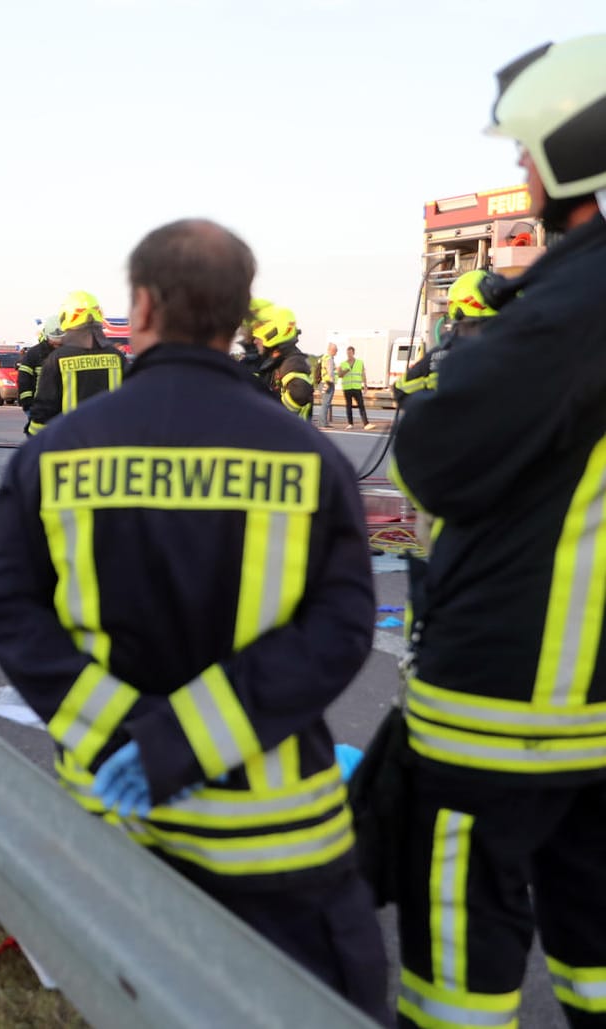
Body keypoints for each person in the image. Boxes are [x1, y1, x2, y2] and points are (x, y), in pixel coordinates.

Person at [0, 218, 386, 1020]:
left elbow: (8, 613)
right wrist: (193, 736)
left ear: (141, 304)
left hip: (112, 823)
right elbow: (339, 628)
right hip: (273, 839)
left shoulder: (53, 454)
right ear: (238, 317)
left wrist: (129, 737)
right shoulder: (307, 458)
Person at [389, 35, 606, 1029]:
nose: (517, 172)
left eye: (526, 150)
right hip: (590, 711)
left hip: (514, 712)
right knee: (594, 938)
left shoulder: (574, 303)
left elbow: (436, 455)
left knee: (460, 953)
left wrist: (461, 360)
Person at [27, 290, 126, 435]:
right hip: (111, 447)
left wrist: (33, 436)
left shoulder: (57, 359)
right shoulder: (118, 357)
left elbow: (43, 411)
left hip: (71, 447)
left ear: (66, 317)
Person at [250, 301, 315, 420]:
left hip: (290, 435)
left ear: (272, 334)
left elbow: (300, 393)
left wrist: (273, 415)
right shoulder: (280, 360)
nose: (255, 342)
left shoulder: (292, 362)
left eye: (258, 338)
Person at [17, 316, 61, 434]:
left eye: (60, 339)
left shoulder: (68, 352)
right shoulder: (34, 354)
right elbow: (24, 380)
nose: (56, 343)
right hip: (38, 407)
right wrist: (27, 404)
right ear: (46, 335)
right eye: (54, 339)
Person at [338, 347, 367, 427]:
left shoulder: (360, 362)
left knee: (361, 405)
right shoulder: (343, 364)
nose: (349, 355)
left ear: (353, 353)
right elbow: (339, 375)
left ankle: (366, 423)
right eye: (348, 353)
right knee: (348, 406)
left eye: (350, 353)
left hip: (357, 387)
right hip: (347, 388)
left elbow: (363, 374)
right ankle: (350, 423)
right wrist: (345, 371)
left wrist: (365, 385)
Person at [319, 342, 339, 426]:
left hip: (323, 382)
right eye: (336, 350)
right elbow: (330, 372)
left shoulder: (324, 357)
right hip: (327, 383)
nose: (336, 352)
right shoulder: (329, 359)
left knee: (325, 403)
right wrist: (330, 382)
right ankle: (323, 423)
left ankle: (323, 422)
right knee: (326, 403)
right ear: (332, 350)